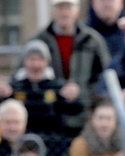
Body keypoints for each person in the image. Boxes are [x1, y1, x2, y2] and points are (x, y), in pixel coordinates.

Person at [30, 0, 111, 129]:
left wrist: (83, 94)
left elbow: (105, 77)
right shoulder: (38, 41)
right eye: (60, 8)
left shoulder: (92, 40)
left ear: (77, 11)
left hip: (85, 116)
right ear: (52, 11)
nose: (64, 13)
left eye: (68, 8)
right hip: (48, 118)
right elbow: (24, 75)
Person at [0, 39, 83, 137]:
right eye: (32, 59)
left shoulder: (57, 87)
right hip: (19, 140)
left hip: (52, 140)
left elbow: (77, 109)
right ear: (24, 62)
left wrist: (73, 98)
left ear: (46, 62)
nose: (36, 64)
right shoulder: (15, 87)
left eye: (40, 59)